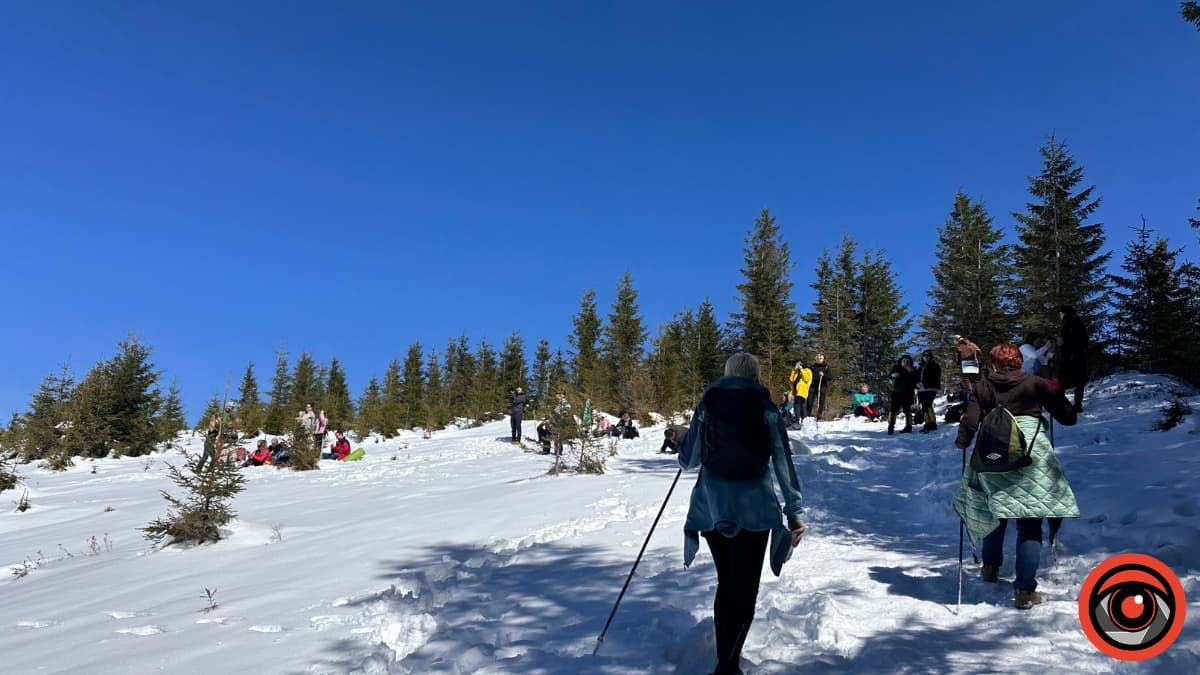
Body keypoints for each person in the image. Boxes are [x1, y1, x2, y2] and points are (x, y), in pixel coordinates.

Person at [677, 353, 805, 674]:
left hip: (712, 509)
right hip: (756, 511)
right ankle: (728, 666)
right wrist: (794, 511)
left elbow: (689, 460)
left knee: (726, 583)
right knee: (745, 588)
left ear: (727, 374)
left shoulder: (709, 403)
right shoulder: (765, 406)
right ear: (755, 375)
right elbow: (782, 462)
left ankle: (725, 660)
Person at [953, 343, 1079, 610]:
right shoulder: (1036, 383)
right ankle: (1024, 591)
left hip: (993, 454)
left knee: (996, 512)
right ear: (1019, 361)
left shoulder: (984, 386)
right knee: (1030, 523)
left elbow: (971, 421)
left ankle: (990, 568)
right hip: (1032, 456)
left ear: (994, 363)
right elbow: (1068, 418)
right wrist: (1056, 391)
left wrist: (963, 441)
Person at [1057, 305, 1088, 413]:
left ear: (1064, 313)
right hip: (1080, 357)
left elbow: (1067, 341)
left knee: (1062, 381)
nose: (1059, 316)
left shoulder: (1067, 323)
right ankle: (1077, 404)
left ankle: (1061, 404)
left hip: (1070, 357)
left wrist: (1061, 344)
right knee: (1079, 382)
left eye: (1060, 313)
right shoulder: (1079, 322)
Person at [201, 402, 240, 472]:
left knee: (214, 456)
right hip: (212, 437)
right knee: (205, 456)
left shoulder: (231, 414)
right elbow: (213, 426)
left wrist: (229, 425)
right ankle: (200, 470)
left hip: (220, 436)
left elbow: (235, 421)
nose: (230, 408)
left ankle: (210, 470)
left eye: (232, 407)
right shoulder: (220, 414)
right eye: (229, 407)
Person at [888, 355, 918, 435]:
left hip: (908, 393)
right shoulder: (897, 368)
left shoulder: (913, 370)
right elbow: (890, 375)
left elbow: (916, 381)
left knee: (907, 410)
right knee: (893, 410)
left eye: (907, 361)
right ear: (901, 361)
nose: (905, 362)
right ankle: (890, 426)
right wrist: (893, 375)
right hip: (897, 393)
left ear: (910, 362)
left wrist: (917, 384)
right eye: (904, 361)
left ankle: (908, 427)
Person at [916, 350, 942, 432]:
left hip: (931, 388)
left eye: (928, 356)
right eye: (924, 356)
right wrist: (916, 384)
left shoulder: (934, 366)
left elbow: (935, 377)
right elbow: (916, 377)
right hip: (921, 390)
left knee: (928, 405)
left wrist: (925, 384)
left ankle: (932, 423)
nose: (926, 358)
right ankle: (927, 423)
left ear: (930, 357)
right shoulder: (920, 366)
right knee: (924, 407)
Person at [808, 353, 831, 420]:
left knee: (821, 402)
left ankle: (819, 416)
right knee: (809, 401)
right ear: (815, 359)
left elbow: (830, 377)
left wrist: (823, 375)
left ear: (823, 359)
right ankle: (808, 416)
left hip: (822, 386)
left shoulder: (826, 367)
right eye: (817, 358)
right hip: (813, 386)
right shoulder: (812, 367)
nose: (819, 359)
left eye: (820, 358)